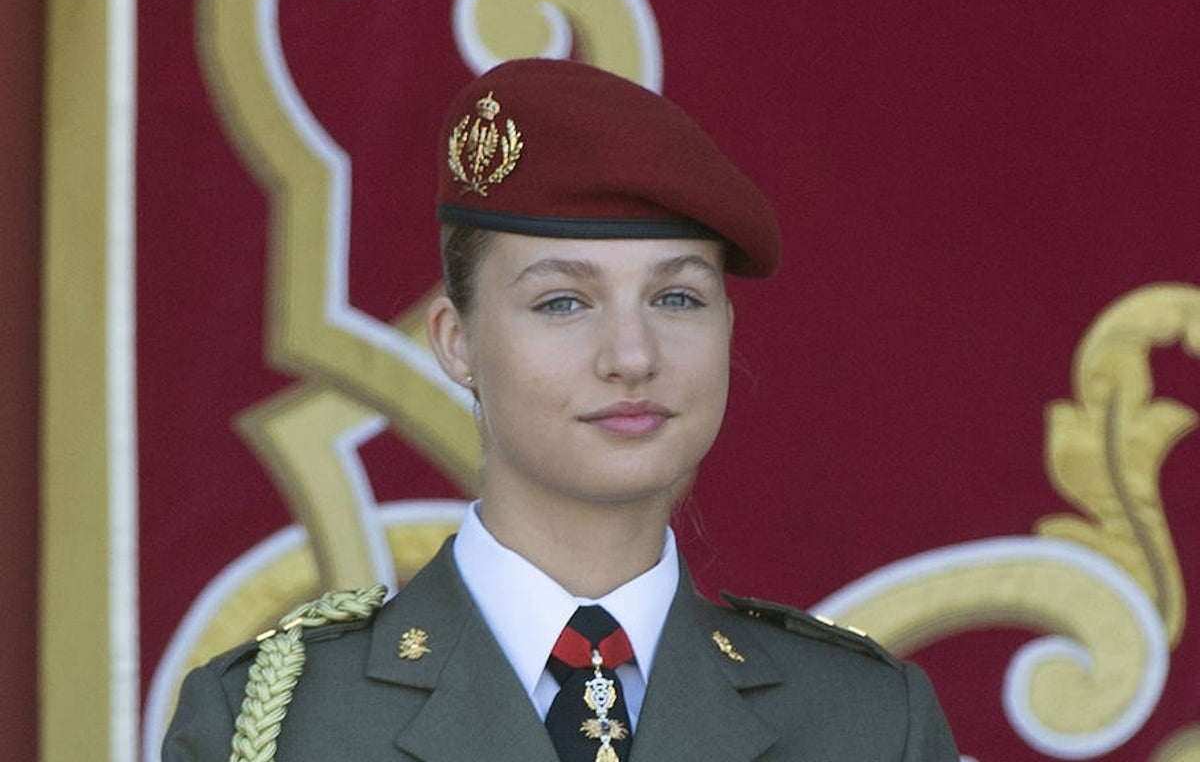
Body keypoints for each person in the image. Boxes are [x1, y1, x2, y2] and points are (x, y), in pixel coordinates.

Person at [163, 58, 959, 762]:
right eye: (563, 302)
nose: (633, 355)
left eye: (677, 297)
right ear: (455, 341)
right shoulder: (275, 726)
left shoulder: (867, 723)